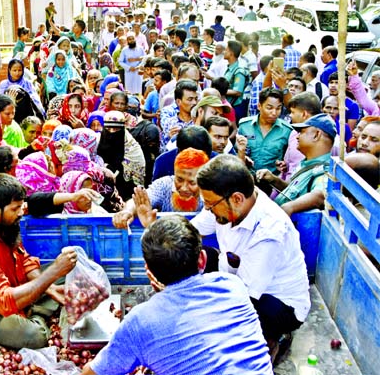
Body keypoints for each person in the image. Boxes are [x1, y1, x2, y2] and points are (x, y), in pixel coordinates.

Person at [83, 216, 273, 375]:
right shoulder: (232, 285)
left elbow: (92, 373)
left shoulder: (139, 322)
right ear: (203, 259)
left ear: (148, 271)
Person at [191, 155, 310, 363]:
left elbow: (244, 297)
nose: (208, 209)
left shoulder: (269, 231)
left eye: (210, 204)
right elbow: (191, 231)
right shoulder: (225, 202)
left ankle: (271, 340)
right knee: (200, 255)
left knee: (228, 329)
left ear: (237, 198)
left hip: (277, 303)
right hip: (237, 277)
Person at [0, 174, 78, 349]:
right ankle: (36, 312)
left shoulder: (4, 224)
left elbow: (24, 259)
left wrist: (50, 286)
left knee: (71, 269)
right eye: (16, 209)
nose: (21, 212)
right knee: (36, 336)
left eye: (21, 207)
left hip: (15, 286)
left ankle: (33, 304)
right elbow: (4, 301)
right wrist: (52, 273)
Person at [258, 113, 336, 215]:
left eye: (302, 132)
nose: (297, 137)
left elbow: (321, 195)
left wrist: (290, 207)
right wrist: (273, 179)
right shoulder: (307, 164)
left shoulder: (323, 170)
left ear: (316, 135)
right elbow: (293, 191)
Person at [113, 148, 209, 229]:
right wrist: (127, 211)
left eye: (192, 182)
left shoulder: (212, 192)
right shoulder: (164, 185)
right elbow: (141, 200)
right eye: (179, 179)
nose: (183, 188)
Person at [238, 88, 292, 175]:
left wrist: (284, 165)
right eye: (269, 108)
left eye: (278, 108)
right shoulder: (244, 126)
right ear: (259, 106)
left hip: (272, 182)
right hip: (246, 178)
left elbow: (288, 160)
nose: (274, 113)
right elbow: (236, 152)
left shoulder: (287, 131)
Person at [97, 111, 145, 200]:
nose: (111, 132)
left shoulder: (133, 149)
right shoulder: (96, 143)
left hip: (127, 195)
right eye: (108, 128)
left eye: (116, 129)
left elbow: (137, 179)